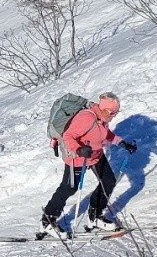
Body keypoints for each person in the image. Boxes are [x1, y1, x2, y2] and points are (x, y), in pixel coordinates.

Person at [39, 92, 137, 238]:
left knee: (108, 181)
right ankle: (47, 221)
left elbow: (105, 134)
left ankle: (95, 216)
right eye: (112, 112)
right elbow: (68, 136)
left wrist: (121, 142)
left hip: (95, 155)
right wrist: (79, 149)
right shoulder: (86, 118)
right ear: (104, 109)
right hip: (77, 157)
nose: (114, 115)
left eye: (116, 112)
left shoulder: (102, 118)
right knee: (69, 188)